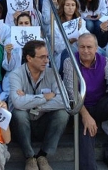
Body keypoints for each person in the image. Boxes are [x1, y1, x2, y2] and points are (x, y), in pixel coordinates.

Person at [63, 34, 108, 170]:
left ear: (96, 48)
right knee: (86, 148)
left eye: (89, 47)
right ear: (77, 47)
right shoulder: (70, 62)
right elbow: (71, 92)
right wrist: (86, 116)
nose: (86, 50)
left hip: (99, 105)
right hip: (79, 109)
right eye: (82, 47)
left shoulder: (104, 61)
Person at [9, 40, 68, 170]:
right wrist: (44, 97)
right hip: (21, 126)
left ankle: (43, 156)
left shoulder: (52, 73)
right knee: (19, 114)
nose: (46, 61)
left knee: (63, 114)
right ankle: (30, 157)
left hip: (43, 121)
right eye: (42, 57)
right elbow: (17, 102)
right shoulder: (16, 75)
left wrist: (34, 105)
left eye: (47, 56)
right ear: (29, 58)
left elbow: (63, 100)